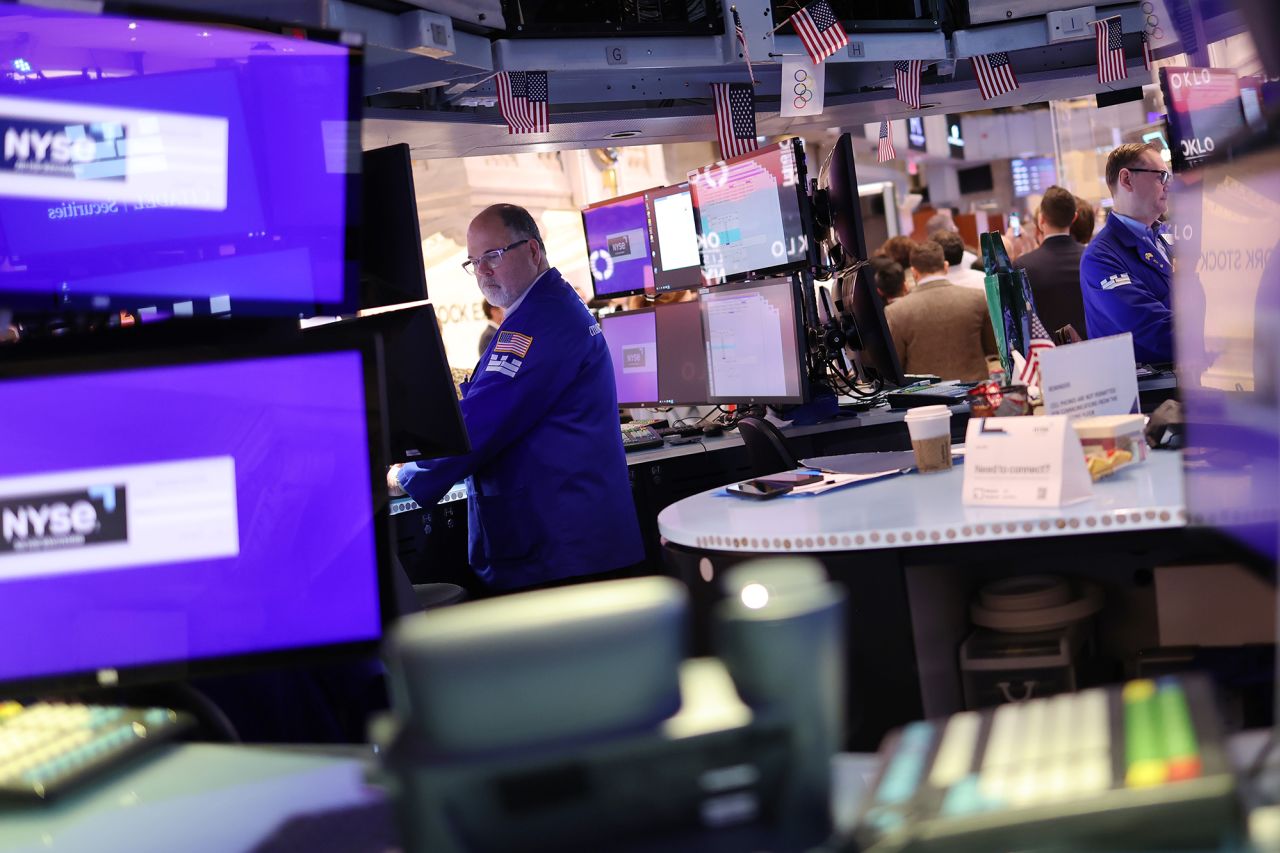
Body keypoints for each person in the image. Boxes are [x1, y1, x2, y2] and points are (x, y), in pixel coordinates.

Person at [388, 203, 644, 592]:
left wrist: (405, 475)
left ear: (532, 250)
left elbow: (482, 422)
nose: (483, 272)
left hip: (561, 548)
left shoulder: (540, 323)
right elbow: (486, 398)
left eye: (492, 255)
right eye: (473, 262)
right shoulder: (541, 310)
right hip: (566, 535)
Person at [1079, 143, 1173, 363]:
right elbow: (1155, 331)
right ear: (1126, 180)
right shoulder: (1100, 258)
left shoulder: (1168, 237)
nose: (1168, 185)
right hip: (1151, 394)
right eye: (1161, 176)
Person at [886, 241, 997, 382]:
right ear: (945, 266)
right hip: (974, 392)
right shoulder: (976, 298)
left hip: (926, 398)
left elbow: (896, 364)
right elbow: (992, 348)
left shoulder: (896, 311)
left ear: (914, 273)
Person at [1014, 186, 1088, 338]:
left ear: (1041, 220)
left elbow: (1018, 321)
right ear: (1074, 218)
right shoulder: (1092, 257)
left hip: (1046, 356)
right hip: (1095, 350)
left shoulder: (1022, 266)